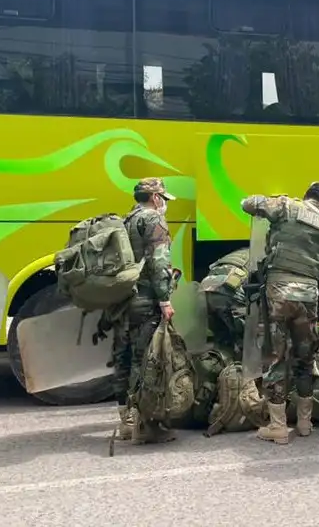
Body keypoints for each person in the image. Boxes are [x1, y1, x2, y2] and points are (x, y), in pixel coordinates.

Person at [240, 182, 319, 444]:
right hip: (310, 295)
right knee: (305, 359)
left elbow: (247, 203)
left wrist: (279, 199)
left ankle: (278, 427)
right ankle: (305, 424)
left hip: (279, 292)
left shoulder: (287, 207)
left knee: (276, 357)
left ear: (306, 196)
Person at [112, 177, 177, 444]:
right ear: (155, 198)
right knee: (146, 360)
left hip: (122, 298)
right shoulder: (153, 220)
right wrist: (164, 299)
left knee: (123, 357)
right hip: (145, 299)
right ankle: (145, 426)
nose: (164, 204)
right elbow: (159, 261)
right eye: (163, 198)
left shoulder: (126, 221)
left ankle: (126, 421)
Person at [199, 248, 250, 360]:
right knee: (246, 337)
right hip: (230, 288)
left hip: (205, 287)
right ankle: (242, 371)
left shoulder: (241, 252)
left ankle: (218, 367)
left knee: (221, 338)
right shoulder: (263, 254)